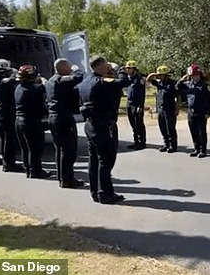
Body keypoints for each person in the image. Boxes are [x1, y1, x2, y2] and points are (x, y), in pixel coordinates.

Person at [78, 55, 130, 204]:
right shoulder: (101, 82)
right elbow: (124, 81)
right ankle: (105, 193)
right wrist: (118, 68)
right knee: (105, 160)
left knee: (93, 159)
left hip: (90, 124)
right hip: (103, 125)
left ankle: (95, 191)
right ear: (100, 65)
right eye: (105, 65)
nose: (108, 67)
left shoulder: (84, 83)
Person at [46, 58, 84, 188]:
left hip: (53, 117)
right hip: (63, 118)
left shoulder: (50, 80)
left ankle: (62, 177)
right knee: (68, 150)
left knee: (59, 148)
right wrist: (76, 69)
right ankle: (67, 179)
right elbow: (79, 77)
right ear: (62, 68)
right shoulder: (61, 80)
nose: (70, 69)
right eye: (68, 67)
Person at [0, 59, 25, 173]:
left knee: (3, 139)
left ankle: (7, 162)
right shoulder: (4, 83)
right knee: (8, 140)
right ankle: (9, 164)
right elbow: (14, 80)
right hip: (6, 114)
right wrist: (15, 73)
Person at [14, 65, 50, 179]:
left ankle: (28, 168)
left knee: (25, 147)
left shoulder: (18, 87)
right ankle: (35, 171)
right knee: (35, 147)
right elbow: (43, 100)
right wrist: (44, 83)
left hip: (19, 120)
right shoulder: (35, 89)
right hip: (31, 121)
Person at [177, 63, 210, 158]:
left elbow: (209, 100)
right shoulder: (188, 84)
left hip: (201, 112)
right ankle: (196, 149)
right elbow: (177, 86)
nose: (194, 77)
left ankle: (203, 150)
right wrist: (183, 78)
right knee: (193, 131)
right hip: (191, 111)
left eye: (196, 75)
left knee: (202, 132)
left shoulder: (204, 85)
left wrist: (208, 112)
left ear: (199, 75)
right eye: (192, 75)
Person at [146, 65, 179, 153]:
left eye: (161, 75)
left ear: (166, 75)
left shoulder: (172, 84)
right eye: (159, 75)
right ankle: (166, 144)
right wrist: (153, 74)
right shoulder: (159, 83)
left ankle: (173, 145)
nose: (159, 76)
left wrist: (177, 108)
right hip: (160, 109)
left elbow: (178, 96)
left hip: (170, 109)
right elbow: (148, 80)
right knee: (162, 127)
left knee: (170, 128)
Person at [124, 60, 146, 150]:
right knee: (133, 124)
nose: (127, 70)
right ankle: (136, 141)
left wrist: (140, 106)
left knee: (138, 124)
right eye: (127, 68)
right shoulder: (129, 78)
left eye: (129, 68)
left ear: (134, 69)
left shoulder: (139, 80)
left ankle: (141, 142)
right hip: (129, 104)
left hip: (137, 105)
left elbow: (142, 94)